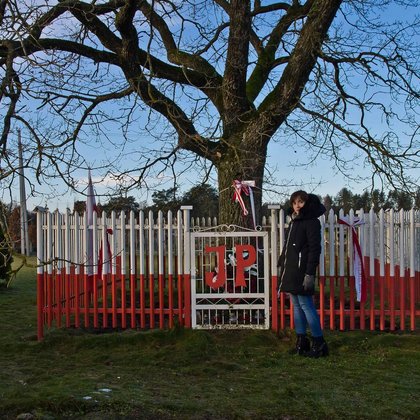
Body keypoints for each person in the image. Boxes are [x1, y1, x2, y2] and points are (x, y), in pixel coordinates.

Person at [278, 190, 328, 358]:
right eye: (294, 202)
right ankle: (301, 341)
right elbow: (287, 246)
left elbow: (315, 249)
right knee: (296, 306)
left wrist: (309, 273)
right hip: (291, 269)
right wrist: (281, 263)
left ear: (307, 203)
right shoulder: (293, 222)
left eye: (300, 202)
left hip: (303, 269)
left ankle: (319, 343)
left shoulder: (312, 222)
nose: (297, 205)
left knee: (306, 305)